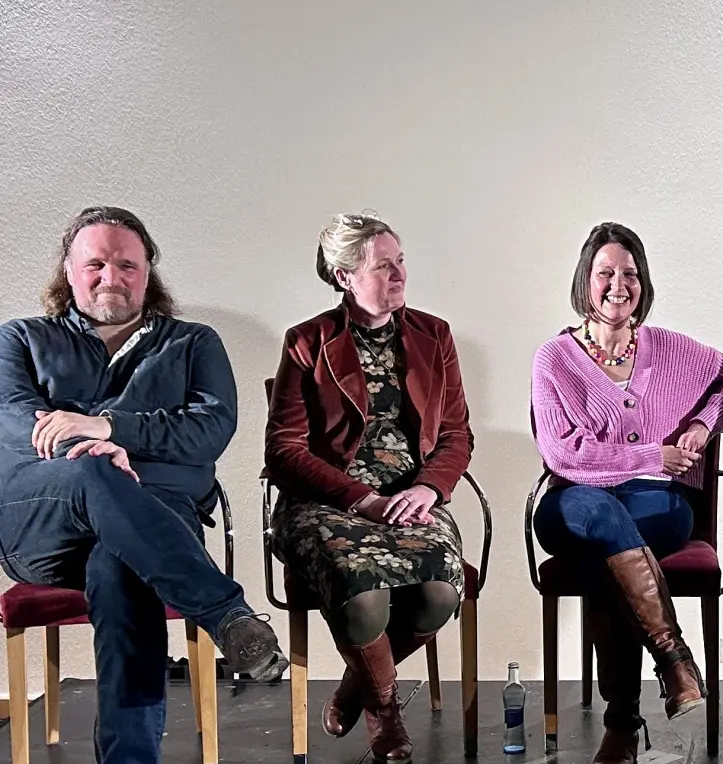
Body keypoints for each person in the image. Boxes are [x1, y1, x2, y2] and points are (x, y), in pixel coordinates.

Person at [0, 206, 287, 764]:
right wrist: (92, 452)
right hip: (45, 521)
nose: (112, 277)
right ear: (68, 269)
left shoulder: (193, 343)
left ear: (149, 270)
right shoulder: (19, 339)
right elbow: (13, 420)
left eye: (128, 265)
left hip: (155, 518)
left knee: (120, 567)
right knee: (92, 470)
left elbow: (209, 432)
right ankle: (228, 616)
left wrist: (108, 427)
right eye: (97, 264)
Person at [530, 222, 723, 764]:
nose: (618, 285)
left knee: (614, 553)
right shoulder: (554, 359)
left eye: (629, 274)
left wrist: (703, 424)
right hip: (573, 502)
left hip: (659, 506)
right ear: (586, 279)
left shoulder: (670, 349)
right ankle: (673, 659)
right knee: (605, 517)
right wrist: (653, 455)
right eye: (606, 272)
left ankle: (623, 724)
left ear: (643, 283)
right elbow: (563, 455)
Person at [265, 212, 474, 762]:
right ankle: (387, 716)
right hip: (328, 500)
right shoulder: (306, 342)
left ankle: (358, 685)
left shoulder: (435, 335)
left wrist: (428, 490)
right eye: (383, 265)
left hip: (411, 495)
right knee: (363, 598)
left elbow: (455, 434)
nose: (399, 274)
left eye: (400, 261)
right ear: (343, 276)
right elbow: (284, 449)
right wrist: (364, 500)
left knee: (438, 595)